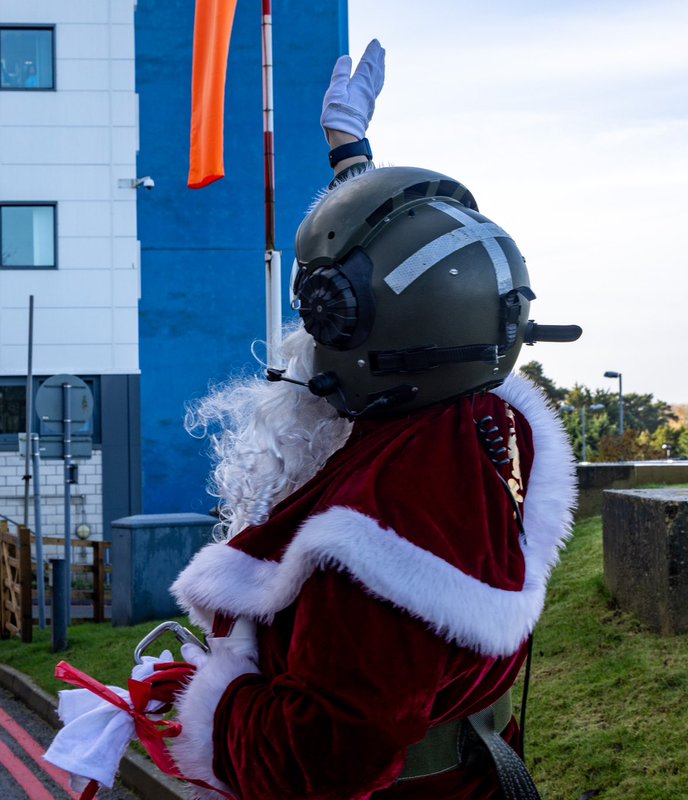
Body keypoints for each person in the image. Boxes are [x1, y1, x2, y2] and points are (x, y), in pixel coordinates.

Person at [46, 40, 582, 800]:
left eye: (322, 309)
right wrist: (351, 157)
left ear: (358, 332)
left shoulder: (376, 537)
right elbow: (412, 278)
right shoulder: (477, 423)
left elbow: (319, 759)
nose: (307, 335)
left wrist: (205, 695)